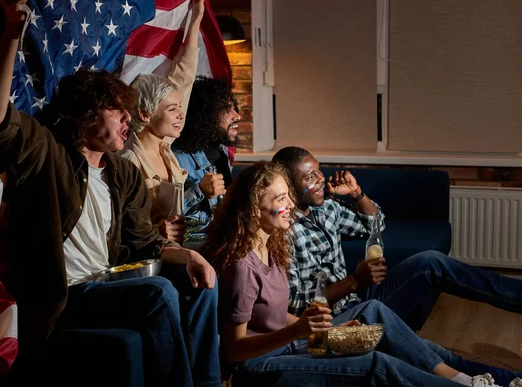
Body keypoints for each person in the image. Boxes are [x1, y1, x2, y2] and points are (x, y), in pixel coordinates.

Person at [0, 0, 219, 385]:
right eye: (118, 111)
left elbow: (145, 243)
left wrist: (189, 257)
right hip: (66, 295)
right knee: (158, 293)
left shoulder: (122, 174)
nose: (129, 121)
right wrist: (13, 31)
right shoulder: (48, 154)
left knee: (202, 285)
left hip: (108, 282)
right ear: (88, 114)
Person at [204, 162, 522, 387]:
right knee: (377, 361)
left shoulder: (273, 244)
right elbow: (234, 351)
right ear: (252, 210)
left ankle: (473, 382)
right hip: (259, 366)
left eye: (288, 195)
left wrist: (326, 334)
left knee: (378, 318)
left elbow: (274, 317)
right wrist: (304, 328)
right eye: (280, 199)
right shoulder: (243, 266)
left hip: (295, 341)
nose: (288, 204)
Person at [271, 146, 522, 327]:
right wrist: (353, 281)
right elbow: (296, 304)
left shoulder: (326, 208)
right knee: (431, 356)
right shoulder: (283, 231)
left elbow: (375, 224)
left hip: (357, 298)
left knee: (430, 261)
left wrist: (357, 193)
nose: (320, 179)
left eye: (319, 171)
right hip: (338, 320)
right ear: (289, 186)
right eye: (309, 176)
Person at [119, 0, 207, 244]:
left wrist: (195, 20)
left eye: (180, 108)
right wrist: (155, 233)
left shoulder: (165, 148)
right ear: (145, 113)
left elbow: (184, 77)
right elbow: (116, 228)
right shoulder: (127, 161)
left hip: (176, 249)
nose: (181, 115)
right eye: (172, 110)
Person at [172, 76, 241, 242]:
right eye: (227, 109)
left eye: (234, 108)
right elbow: (167, 217)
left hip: (220, 238)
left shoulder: (221, 152)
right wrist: (199, 191)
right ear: (206, 115)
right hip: (193, 244)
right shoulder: (177, 157)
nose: (237, 116)